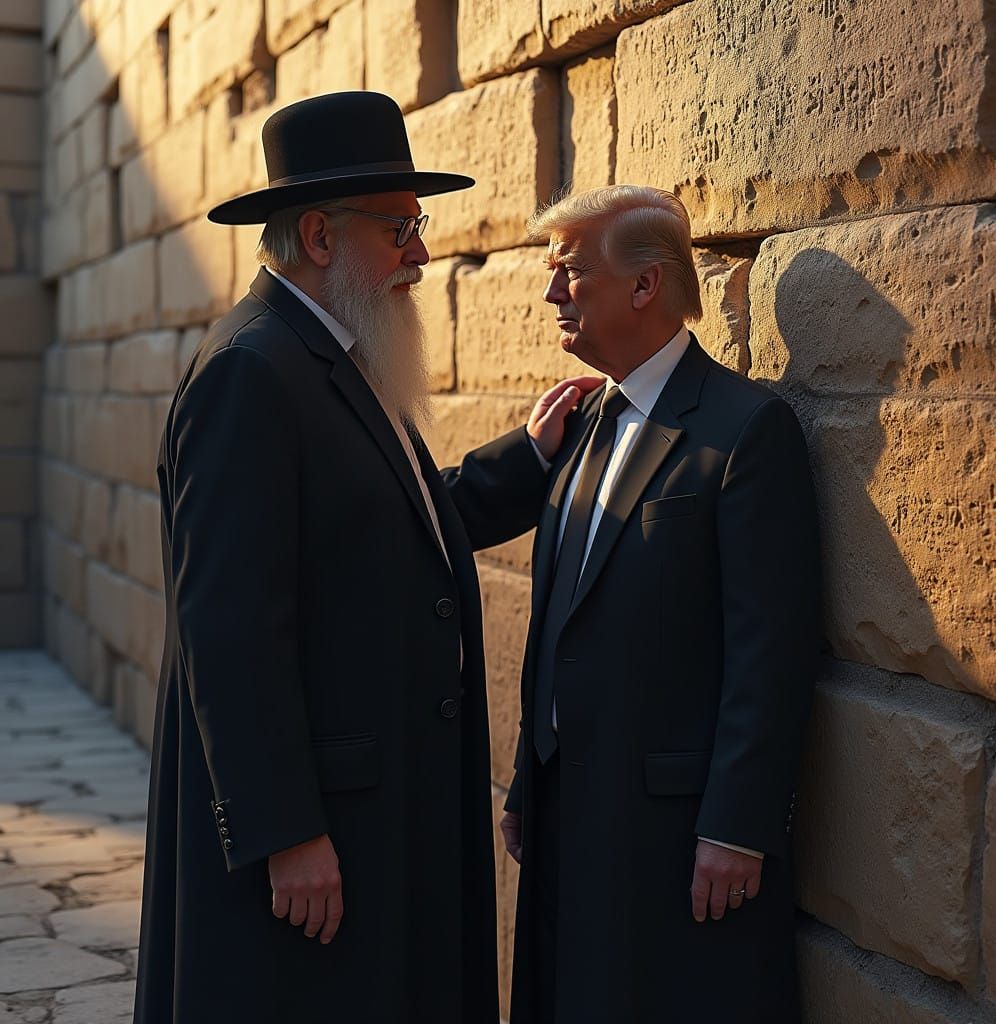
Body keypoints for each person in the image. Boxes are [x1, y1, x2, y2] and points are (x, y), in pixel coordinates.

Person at [133, 91, 598, 1024]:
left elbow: (397, 533)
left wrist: (530, 460)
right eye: (401, 228)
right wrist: (286, 832)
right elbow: (228, 629)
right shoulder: (251, 374)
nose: (420, 254)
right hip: (320, 828)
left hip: (375, 808)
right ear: (317, 235)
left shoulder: (334, 355)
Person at [499, 185, 821, 1023]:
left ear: (645, 287)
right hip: (569, 818)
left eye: (570, 273)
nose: (551, 294)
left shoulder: (746, 430)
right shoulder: (580, 425)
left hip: (675, 839)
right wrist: (527, 784)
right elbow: (560, 624)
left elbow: (770, 652)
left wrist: (738, 827)